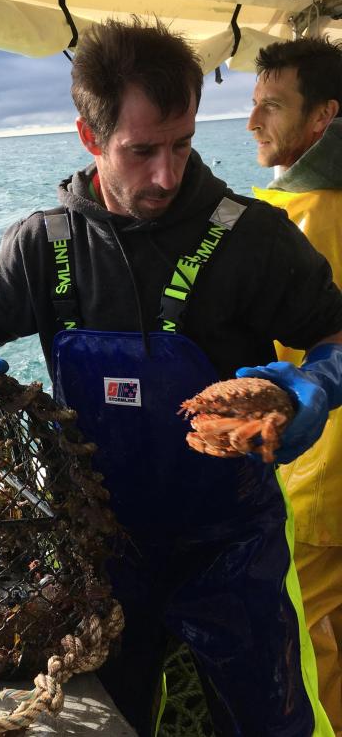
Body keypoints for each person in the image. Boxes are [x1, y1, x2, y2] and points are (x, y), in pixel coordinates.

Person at [0, 19, 342, 736]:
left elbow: (331, 329)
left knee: (272, 722)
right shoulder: (43, 244)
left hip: (233, 547)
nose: (166, 175)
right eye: (141, 151)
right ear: (90, 136)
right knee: (108, 719)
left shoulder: (254, 237)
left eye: (182, 145)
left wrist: (316, 385)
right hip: (102, 550)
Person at [248, 36, 342, 734]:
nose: (253, 122)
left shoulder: (301, 221)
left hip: (321, 493)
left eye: (271, 107)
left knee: (306, 651)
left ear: (322, 118)